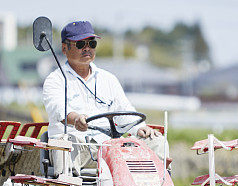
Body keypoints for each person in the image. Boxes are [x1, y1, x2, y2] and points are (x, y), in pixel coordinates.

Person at [41, 20, 166, 175]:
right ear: (64, 48)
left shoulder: (108, 79)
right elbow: (59, 110)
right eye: (80, 44)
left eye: (92, 44)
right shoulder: (56, 80)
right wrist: (76, 119)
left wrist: (140, 128)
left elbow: (125, 111)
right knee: (63, 144)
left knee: (157, 140)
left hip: (108, 144)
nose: (87, 48)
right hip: (77, 144)